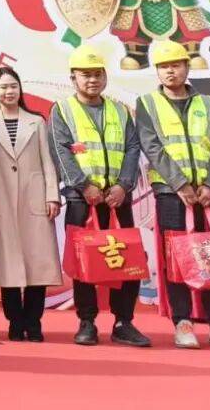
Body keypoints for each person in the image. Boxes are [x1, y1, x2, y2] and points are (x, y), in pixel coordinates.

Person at [135, 41, 210, 351]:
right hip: (172, 193)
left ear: (187, 66)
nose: (170, 71)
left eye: (176, 65)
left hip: (209, 194)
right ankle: (182, 322)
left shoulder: (207, 103)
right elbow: (152, 147)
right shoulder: (147, 103)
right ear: (157, 71)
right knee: (176, 259)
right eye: (164, 66)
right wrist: (180, 184)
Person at [49, 45, 149, 348]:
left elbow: (132, 148)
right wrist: (84, 186)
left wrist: (123, 185)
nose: (92, 80)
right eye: (85, 75)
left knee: (128, 258)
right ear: (73, 78)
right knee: (84, 262)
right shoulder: (62, 110)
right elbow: (60, 151)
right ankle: (87, 321)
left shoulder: (120, 110)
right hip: (83, 200)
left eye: (97, 74)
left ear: (105, 77)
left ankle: (123, 322)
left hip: (118, 200)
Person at [0, 66, 61, 342]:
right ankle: (15, 322)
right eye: (3, 87)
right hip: (0, 197)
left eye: (13, 86)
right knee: (8, 264)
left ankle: (34, 323)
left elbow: (48, 161)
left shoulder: (36, 121)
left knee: (39, 263)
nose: (9, 91)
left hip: (34, 197)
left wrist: (52, 195)